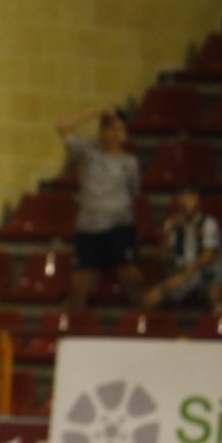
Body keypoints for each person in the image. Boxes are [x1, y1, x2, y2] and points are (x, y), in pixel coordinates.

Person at [57, 106, 143, 310]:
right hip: (89, 226)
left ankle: (144, 319)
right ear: (102, 132)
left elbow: (134, 192)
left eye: (120, 130)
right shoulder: (86, 151)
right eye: (111, 129)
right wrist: (97, 113)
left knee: (131, 275)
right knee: (80, 280)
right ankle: (75, 326)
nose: (115, 134)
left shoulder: (130, 163)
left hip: (120, 225)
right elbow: (63, 126)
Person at [144, 183, 222, 312]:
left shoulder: (209, 223)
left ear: (199, 201)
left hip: (206, 273)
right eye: (183, 196)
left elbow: (207, 257)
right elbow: (162, 257)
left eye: (191, 196)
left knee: (215, 294)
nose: (186, 201)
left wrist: (181, 278)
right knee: (151, 298)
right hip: (182, 272)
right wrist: (168, 233)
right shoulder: (172, 225)